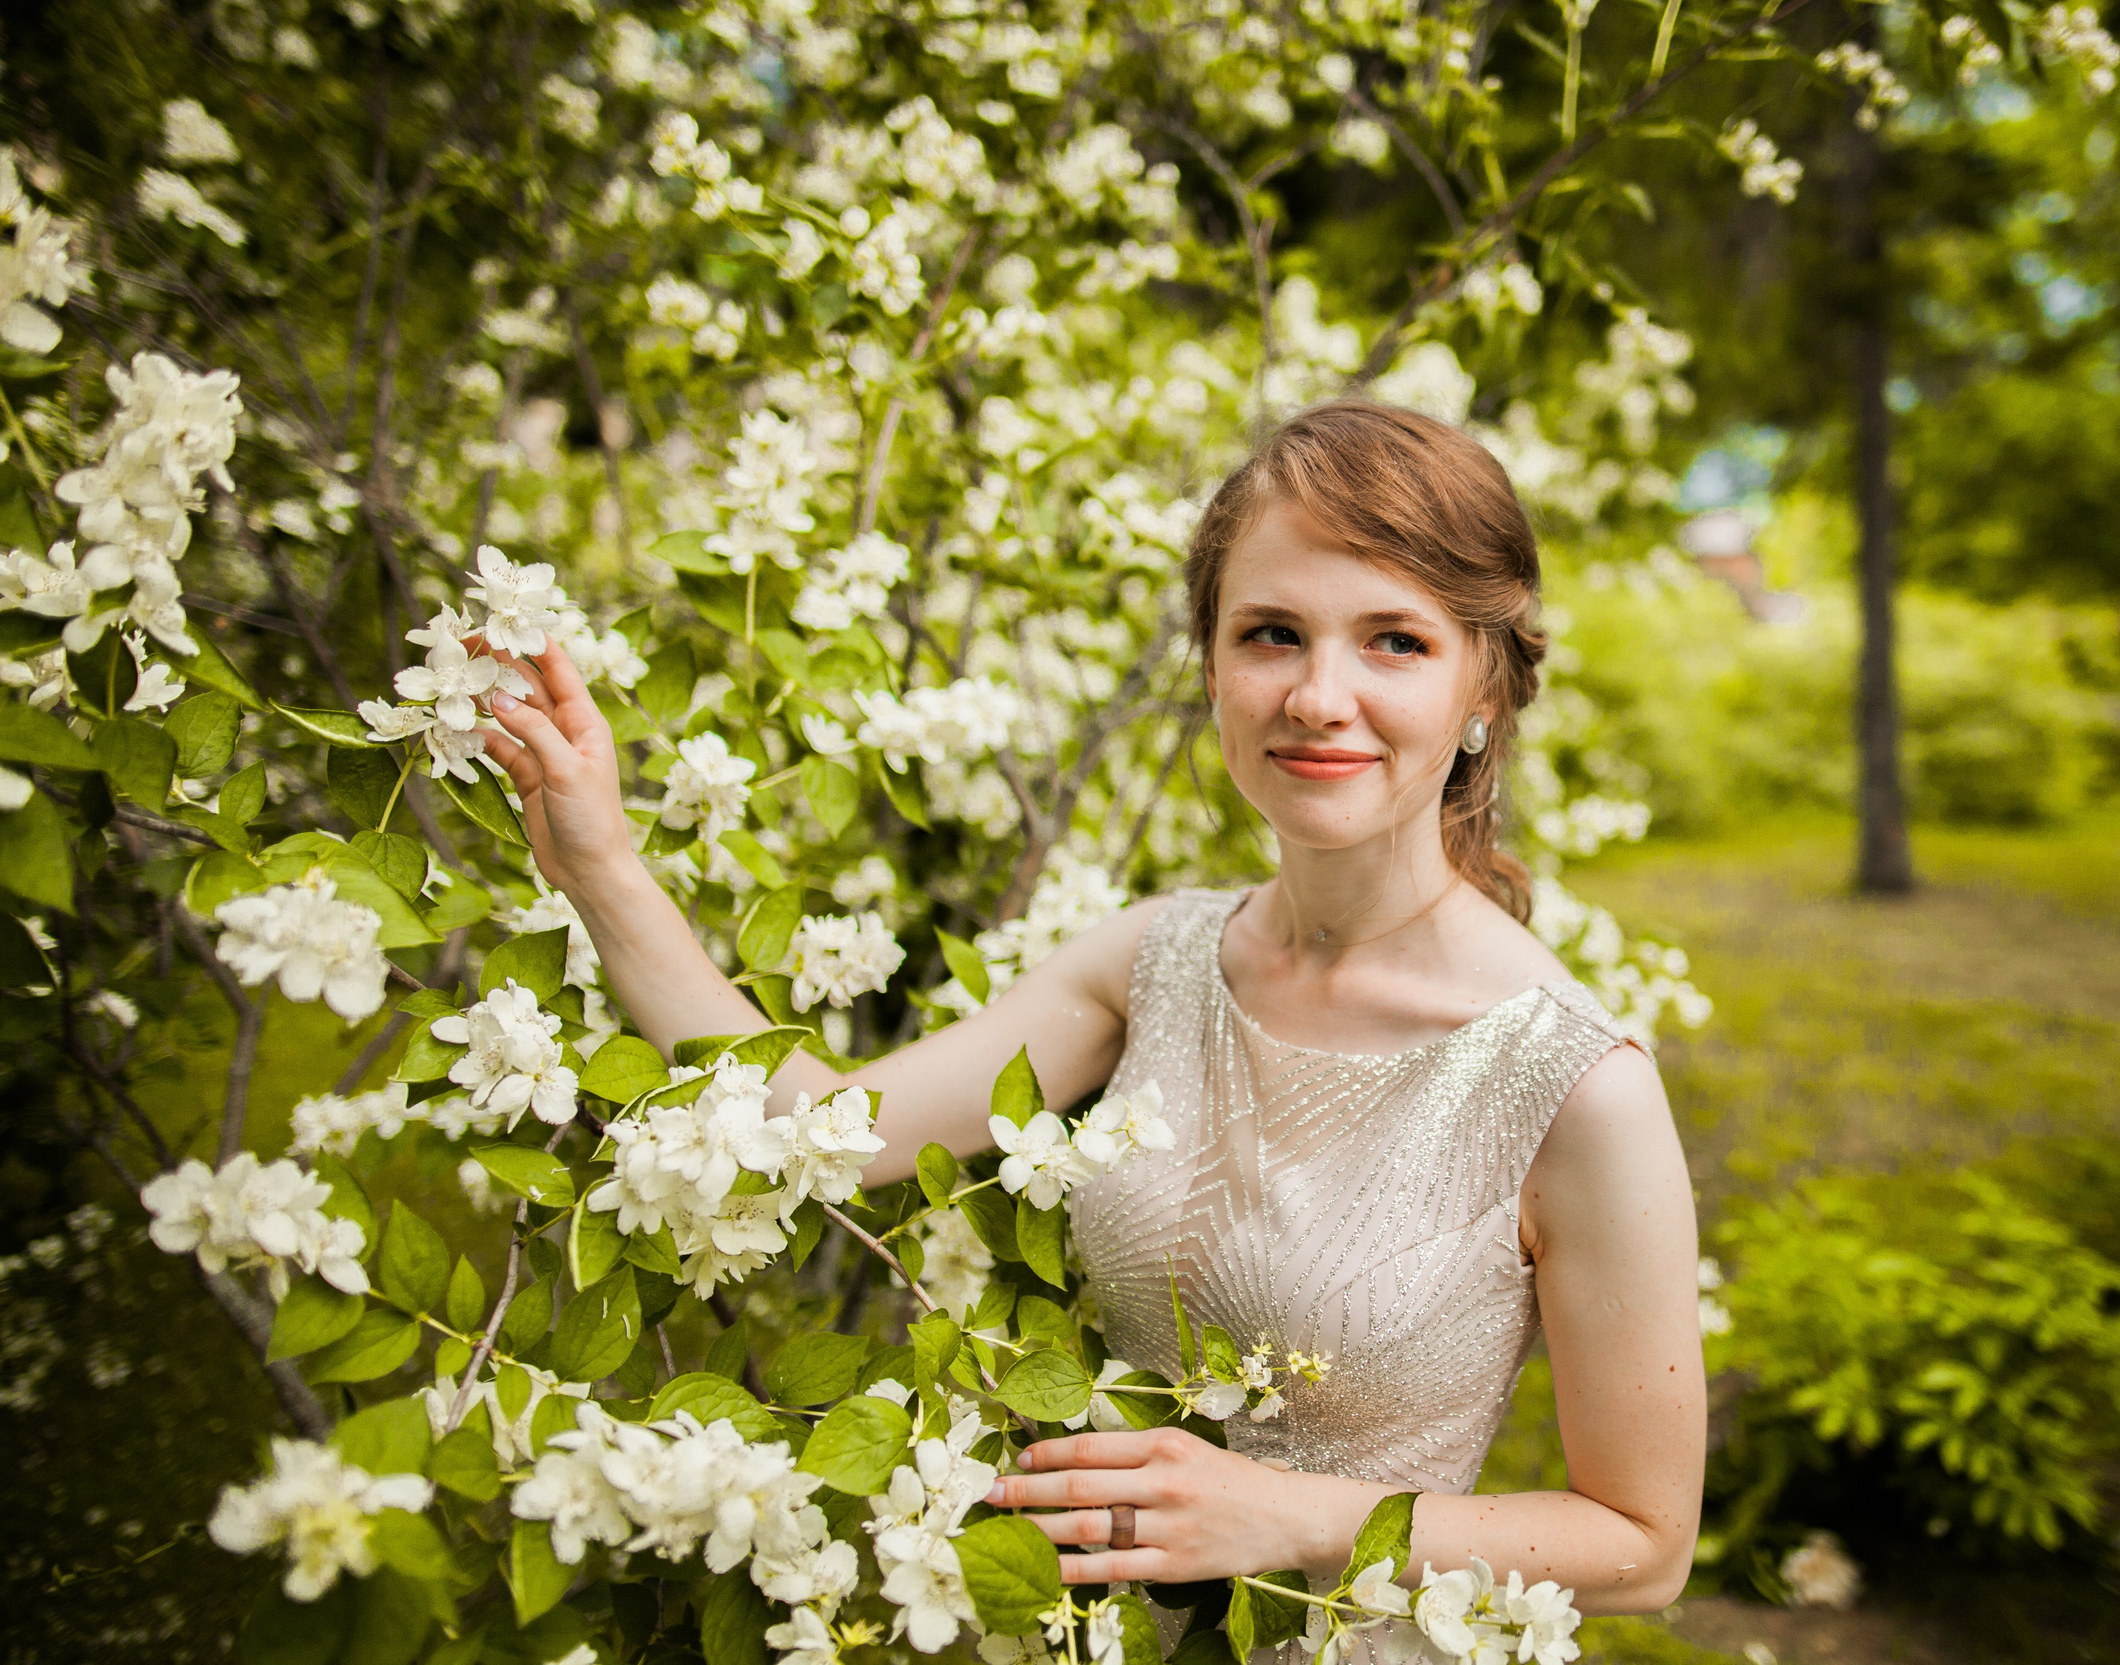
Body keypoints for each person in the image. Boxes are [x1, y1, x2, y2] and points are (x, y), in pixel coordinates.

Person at [477, 399, 1707, 1615]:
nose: (1318, 697)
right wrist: (599, 864)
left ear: (1484, 686)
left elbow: (1644, 1547)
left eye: (1395, 641)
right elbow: (822, 1129)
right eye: (1271, 634)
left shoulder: (1574, 1087)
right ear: (1212, 666)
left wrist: (1287, 1517)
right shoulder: (1154, 962)